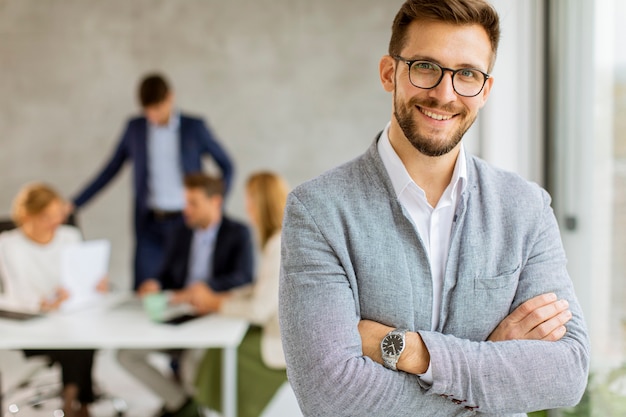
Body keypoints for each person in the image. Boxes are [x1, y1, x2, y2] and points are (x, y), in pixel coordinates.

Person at [278, 1, 590, 416]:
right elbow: (331, 396)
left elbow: (566, 373)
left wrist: (413, 352)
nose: (445, 94)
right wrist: (489, 361)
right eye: (426, 66)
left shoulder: (526, 208)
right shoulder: (318, 212)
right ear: (390, 72)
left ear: (485, 90)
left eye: (467, 75)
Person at [71, 73, 234, 289]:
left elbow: (227, 165)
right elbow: (110, 170)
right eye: (148, 110)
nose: (154, 115)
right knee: (145, 288)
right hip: (149, 223)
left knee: (181, 288)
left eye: (157, 108)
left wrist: (214, 205)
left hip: (185, 222)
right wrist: (75, 204)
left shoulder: (194, 127)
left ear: (170, 98)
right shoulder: (135, 128)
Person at [116, 173, 253, 417]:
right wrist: (155, 284)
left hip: (212, 315)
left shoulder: (238, 233)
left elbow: (244, 278)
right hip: (177, 313)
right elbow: (166, 274)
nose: (186, 210)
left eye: (193, 203)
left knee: (193, 365)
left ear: (215, 202)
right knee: (126, 355)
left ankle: (186, 405)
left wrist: (205, 288)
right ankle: (181, 405)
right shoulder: (180, 232)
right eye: (185, 202)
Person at [0, 183, 107, 417]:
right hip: (32, 325)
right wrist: (45, 302)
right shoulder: (8, 244)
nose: (56, 222)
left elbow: (80, 279)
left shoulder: (69, 236)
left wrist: (95, 284)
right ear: (27, 216)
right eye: (48, 216)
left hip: (69, 318)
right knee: (77, 345)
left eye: (59, 215)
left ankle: (74, 400)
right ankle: (77, 404)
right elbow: (15, 295)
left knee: (81, 339)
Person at [190, 171, 289, 417]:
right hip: (275, 329)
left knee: (221, 351)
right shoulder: (279, 240)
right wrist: (222, 298)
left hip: (279, 343)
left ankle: (211, 409)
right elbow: (259, 290)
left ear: (260, 204)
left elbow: (258, 310)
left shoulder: (279, 245)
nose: (247, 207)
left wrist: (214, 304)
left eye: (250, 200)